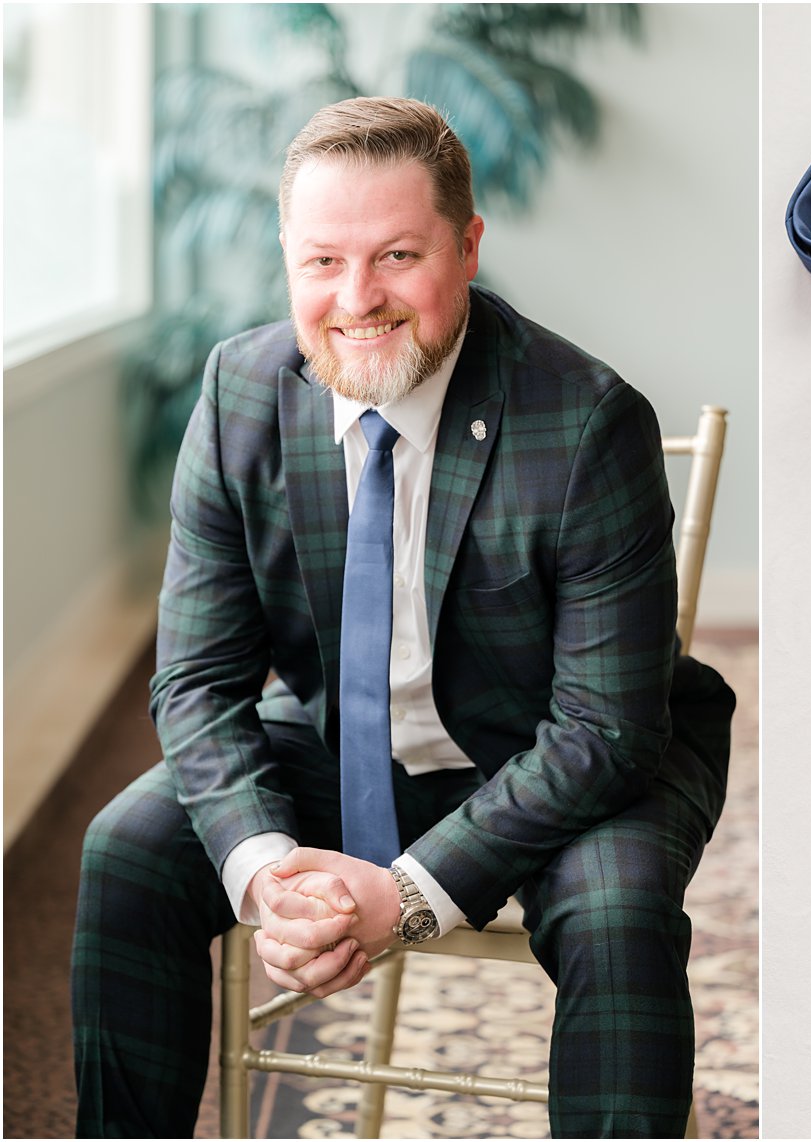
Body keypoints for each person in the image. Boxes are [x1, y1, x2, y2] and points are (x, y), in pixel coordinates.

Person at [71, 96, 732, 1139]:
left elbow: (603, 730)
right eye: (322, 261)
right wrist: (265, 870)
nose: (356, 298)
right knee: (128, 847)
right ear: (286, 254)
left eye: (396, 255)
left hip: (570, 751)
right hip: (343, 734)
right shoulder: (240, 392)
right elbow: (197, 680)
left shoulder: (586, 419)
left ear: (467, 247)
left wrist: (409, 892)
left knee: (618, 911)